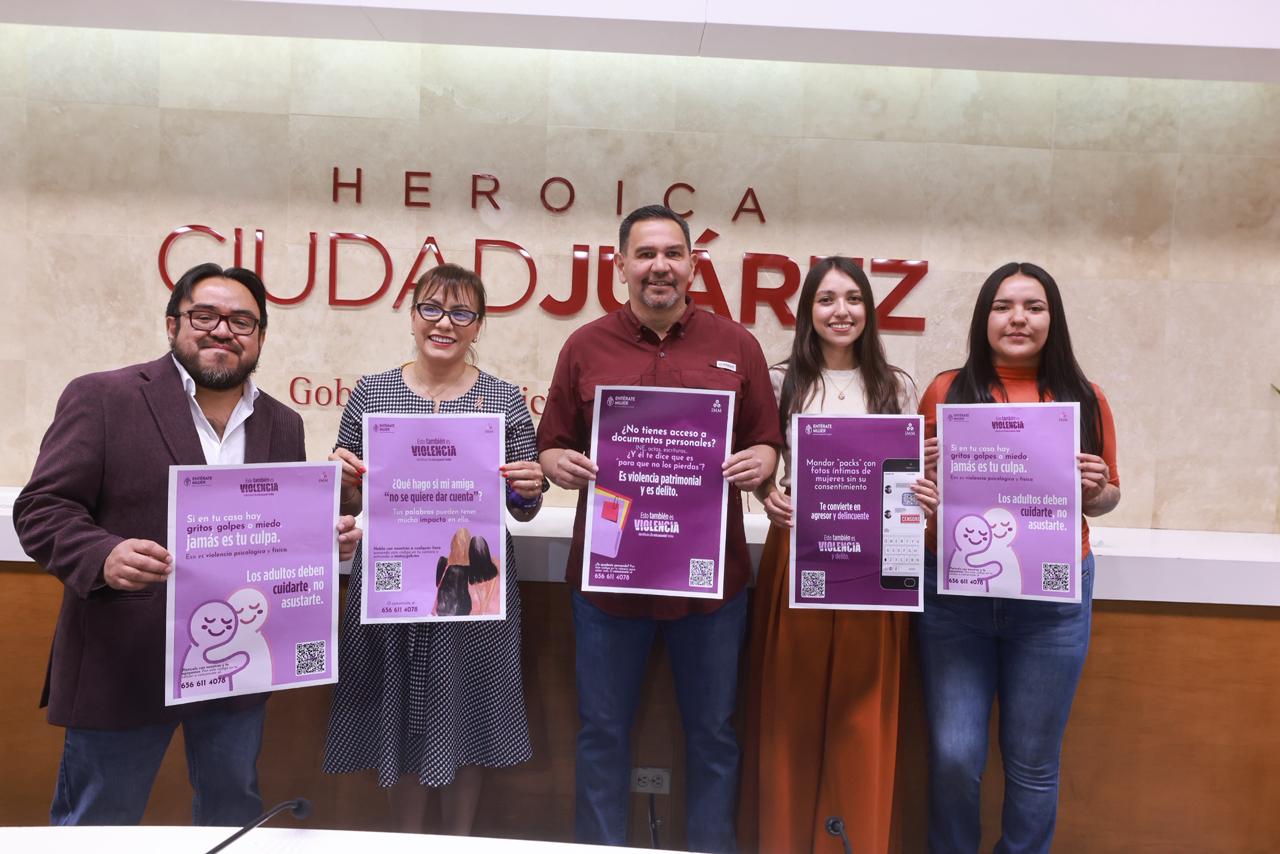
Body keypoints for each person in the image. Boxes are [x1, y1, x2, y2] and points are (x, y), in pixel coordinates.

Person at [12, 262, 361, 826]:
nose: (223, 330)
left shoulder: (282, 423)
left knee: (232, 814)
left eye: (242, 321)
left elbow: (275, 534)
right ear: (173, 323)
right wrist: (103, 555)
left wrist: (324, 542)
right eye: (205, 316)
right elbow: (42, 508)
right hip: (124, 659)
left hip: (238, 668)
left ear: (260, 336)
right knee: (98, 823)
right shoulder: (104, 397)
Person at [537, 204, 783, 851]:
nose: (660, 267)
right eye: (645, 254)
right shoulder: (584, 346)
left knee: (713, 737)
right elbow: (551, 444)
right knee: (601, 735)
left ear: (693, 265)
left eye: (673, 253)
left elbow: (767, 440)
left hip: (710, 588)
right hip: (609, 586)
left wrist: (763, 461)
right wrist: (558, 464)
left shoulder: (738, 346)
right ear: (620, 266)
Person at [322, 264, 545, 835]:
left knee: (464, 713)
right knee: (396, 714)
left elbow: (522, 508)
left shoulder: (503, 400)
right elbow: (349, 496)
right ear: (412, 315)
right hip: (392, 579)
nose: (445, 323)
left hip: (473, 584)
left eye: (462, 312)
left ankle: (458, 842)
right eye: (432, 308)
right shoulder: (372, 393)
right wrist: (341, 478)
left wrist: (528, 487)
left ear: (479, 325)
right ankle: (406, 843)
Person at [917, 261, 1120, 853]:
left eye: (1034, 307)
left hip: (1050, 603)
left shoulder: (1084, 396)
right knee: (954, 756)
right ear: (984, 318)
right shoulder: (946, 391)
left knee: (1032, 763)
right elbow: (912, 492)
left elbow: (1108, 497)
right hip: (955, 598)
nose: (1018, 319)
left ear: (1053, 319)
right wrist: (918, 477)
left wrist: (1096, 489)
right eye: (1003, 306)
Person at [739, 256, 938, 853]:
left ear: (869, 310)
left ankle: (853, 839)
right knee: (792, 706)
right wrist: (768, 496)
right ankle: (784, 838)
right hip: (799, 554)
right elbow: (761, 464)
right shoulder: (781, 382)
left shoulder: (895, 386)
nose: (841, 311)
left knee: (861, 711)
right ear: (808, 312)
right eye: (826, 299)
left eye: (853, 299)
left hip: (873, 563)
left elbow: (904, 478)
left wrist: (924, 495)